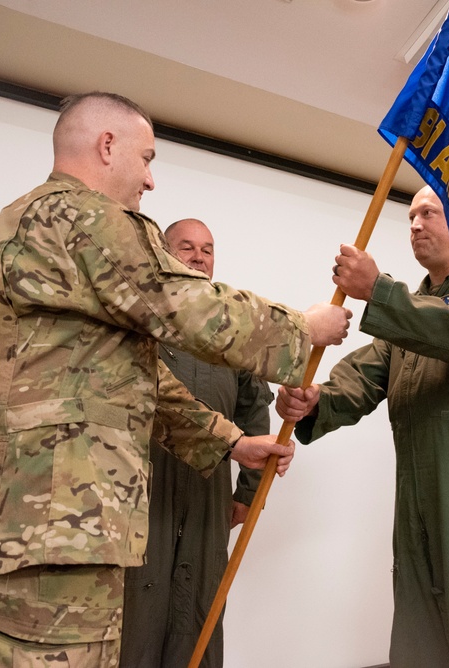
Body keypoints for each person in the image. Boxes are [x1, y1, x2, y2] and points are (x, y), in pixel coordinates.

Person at [0, 91, 351, 667]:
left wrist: (229, 441)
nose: (150, 180)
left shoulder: (26, 225)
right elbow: (182, 302)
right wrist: (303, 328)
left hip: (8, 532)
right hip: (44, 542)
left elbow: (136, 378)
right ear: (107, 146)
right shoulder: (79, 215)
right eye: (147, 157)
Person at [276, 186, 449, 668]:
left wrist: (378, 290)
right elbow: (365, 374)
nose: (416, 225)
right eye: (411, 216)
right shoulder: (414, 310)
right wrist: (317, 400)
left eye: (430, 213)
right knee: (420, 637)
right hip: (419, 490)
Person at [120, 218, 272, 668]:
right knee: (138, 617)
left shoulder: (231, 330)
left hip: (209, 495)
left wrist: (247, 495)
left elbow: (256, 415)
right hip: (144, 492)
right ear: (164, 255)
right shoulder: (140, 320)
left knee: (201, 613)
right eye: (186, 247)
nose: (199, 256)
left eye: (207, 248)